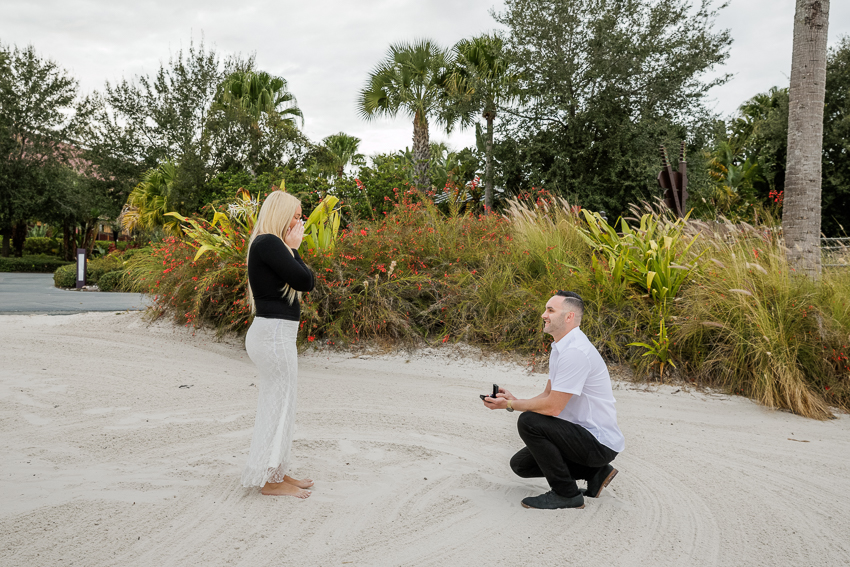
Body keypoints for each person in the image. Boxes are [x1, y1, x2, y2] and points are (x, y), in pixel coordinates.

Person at [483, 290, 624, 510]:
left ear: (568, 317)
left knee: (529, 422)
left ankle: (566, 495)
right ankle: (595, 472)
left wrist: (510, 406)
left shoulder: (575, 352)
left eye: (550, 310)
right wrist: (514, 400)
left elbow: (553, 407)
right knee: (521, 465)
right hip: (579, 435)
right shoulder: (561, 347)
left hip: (597, 442)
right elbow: (549, 395)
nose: (543, 315)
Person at [241, 190, 315, 498]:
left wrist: (292, 249)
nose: (300, 222)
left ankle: (276, 472)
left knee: (282, 404)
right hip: (273, 336)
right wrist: (295, 249)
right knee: (278, 406)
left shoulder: (269, 245)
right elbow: (305, 281)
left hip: (276, 335)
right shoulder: (269, 243)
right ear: (282, 215)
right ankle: (271, 482)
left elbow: (302, 279)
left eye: (301, 216)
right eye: (296, 216)